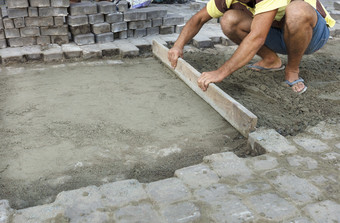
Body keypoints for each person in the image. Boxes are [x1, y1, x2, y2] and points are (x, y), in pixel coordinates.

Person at [168, 0, 335, 94]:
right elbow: (198, 19)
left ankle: (292, 71)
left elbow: (257, 38)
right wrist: (178, 46)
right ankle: (271, 60)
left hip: (312, 36)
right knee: (229, 20)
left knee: (297, 10)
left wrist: (220, 72)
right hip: (279, 32)